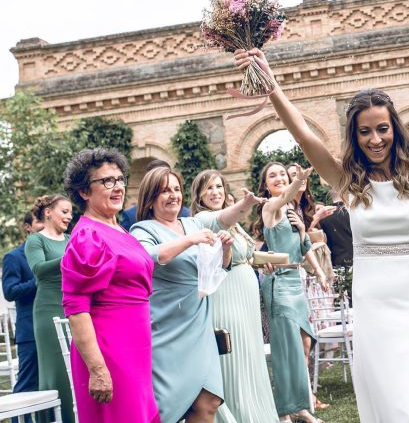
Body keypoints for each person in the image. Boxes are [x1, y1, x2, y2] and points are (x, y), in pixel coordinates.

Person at [234, 49, 409, 423]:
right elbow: (303, 132)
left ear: (395, 128)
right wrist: (272, 86)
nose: (375, 139)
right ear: (354, 135)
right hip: (375, 302)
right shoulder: (346, 179)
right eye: (365, 131)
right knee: (396, 401)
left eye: (382, 129)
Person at [130, 167, 237, 423]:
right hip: (166, 327)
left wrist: (225, 249)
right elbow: (152, 258)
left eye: (176, 189)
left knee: (208, 401)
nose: (173, 195)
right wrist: (190, 241)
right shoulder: (142, 229)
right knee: (168, 408)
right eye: (165, 190)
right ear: (151, 197)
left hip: (198, 320)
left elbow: (216, 268)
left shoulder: (192, 223)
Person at [60, 148, 159, 422]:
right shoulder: (87, 237)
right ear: (83, 192)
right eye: (106, 181)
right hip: (109, 351)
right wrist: (98, 369)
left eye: (119, 179)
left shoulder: (119, 229)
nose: (117, 187)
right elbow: (77, 309)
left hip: (135, 348)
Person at [189, 169, 279, 423]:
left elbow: (245, 255)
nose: (215, 192)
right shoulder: (204, 219)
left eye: (219, 186)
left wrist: (262, 262)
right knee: (236, 358)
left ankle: (259, 414)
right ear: (199, 195)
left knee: (251, 356)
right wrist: (246, 204)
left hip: (246, 299)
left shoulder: (234, 223)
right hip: (226, 297)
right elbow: (223, 224)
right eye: (209, 188)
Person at [251, 162, 328, 423]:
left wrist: (318, 271)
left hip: (296, 281)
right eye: (272, 175)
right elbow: (284, 196)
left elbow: (304, 244)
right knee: (284, 349)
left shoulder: (292, 208)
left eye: (282, 174)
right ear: (265, 183)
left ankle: (302, 406)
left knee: (302, 345)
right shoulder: (269, 207)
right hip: (279, 283)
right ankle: (284, 412)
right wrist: (298, 182)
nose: (279, 178)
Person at [24, 194, 75, 423]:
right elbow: (38, 270)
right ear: (48, 212)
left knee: (75, 367)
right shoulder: (36, 241)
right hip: (48, 309)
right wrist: (71, 257)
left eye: (71, 212)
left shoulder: (70, 239)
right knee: (57, 370)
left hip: (73, 307)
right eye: (64, 211)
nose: (69, 216)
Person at [2, 211, 44, 395]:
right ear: (27, 227)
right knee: (27, 384)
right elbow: (10, 292)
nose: (44, 224)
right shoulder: (14, 257)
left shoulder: (52, 252)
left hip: (52, 326)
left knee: (49, 383)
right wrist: (39, 279)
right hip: (30, 331)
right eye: (39, 221)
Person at [121, 159, 190, 229]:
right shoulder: (133, 219)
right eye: (165, 191)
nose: (174, 196)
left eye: (177, 189)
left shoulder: (188, 217)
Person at [317, 189, 353, 267]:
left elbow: (323, 240)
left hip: (335, 262)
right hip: (355, 259)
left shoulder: (324, 217)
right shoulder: (353, 213)